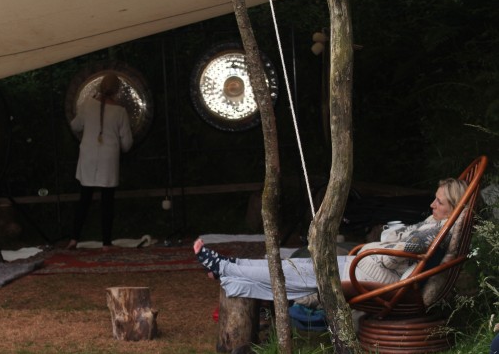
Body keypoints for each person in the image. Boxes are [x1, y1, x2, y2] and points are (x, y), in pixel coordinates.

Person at [193, 178, 468, 301]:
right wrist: (391, 240)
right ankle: (229, 269)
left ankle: (226, 267)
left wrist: (389, 242)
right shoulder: (432, 224)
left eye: (439, 202)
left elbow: (390, 256)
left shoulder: (433, 233)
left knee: (290, 272)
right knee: (291, 270)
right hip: (362, 266)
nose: (431, 204)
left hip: (370, 277)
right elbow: (391, 240)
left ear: (453, 208)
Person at [67, 73, 133, 249]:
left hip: (88, 155)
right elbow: (127, 143)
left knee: (84, 198)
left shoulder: (87, 104)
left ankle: (74, 238)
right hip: (108, 157)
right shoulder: (120, 112)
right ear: (117, 91)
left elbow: (75, 125)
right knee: (107, 200)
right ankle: (106, 243)